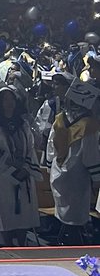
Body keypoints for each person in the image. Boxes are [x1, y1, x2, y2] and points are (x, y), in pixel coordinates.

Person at [0, 86, 41, 246]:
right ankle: (8, 247)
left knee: (24, 213)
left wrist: (25, 167)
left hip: (24, 173)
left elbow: (30, 147)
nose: (8, 103)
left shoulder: (22, 123)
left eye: (11, 99)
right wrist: (12, 166)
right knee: (6, 212)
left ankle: (22, 246)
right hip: (4, 175)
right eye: (4, 99)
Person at [50, 80, 100, 245]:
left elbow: (51, 149)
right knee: (77, 217)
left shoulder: (59, 119)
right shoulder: (89, 124)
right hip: (78, 174)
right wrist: (96, 178)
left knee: (65, 214)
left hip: (58, 169)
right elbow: (90, 156)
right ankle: (75, 247)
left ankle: (66, 241)